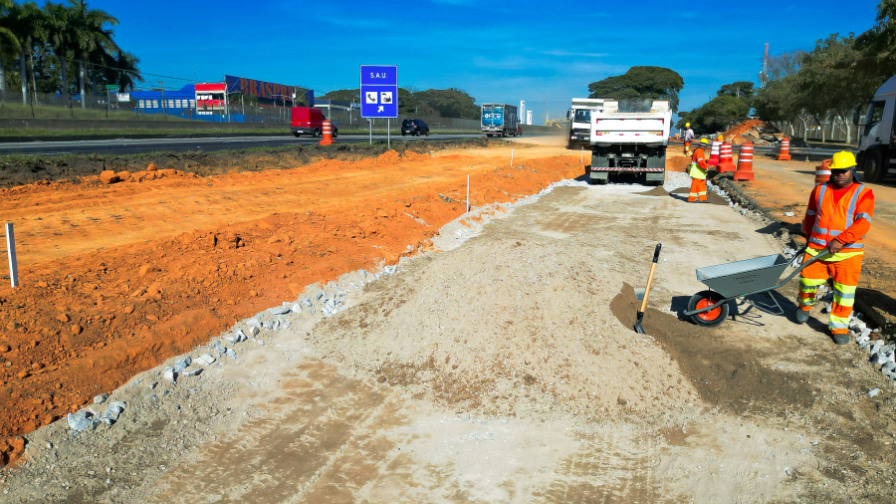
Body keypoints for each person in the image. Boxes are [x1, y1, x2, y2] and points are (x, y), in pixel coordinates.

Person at [796, 151, 875, 344]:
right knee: (807, 281)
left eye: (845, 170)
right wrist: (808, 236)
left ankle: (838, 327)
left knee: (844, 293)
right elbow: (810, 215)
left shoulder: (864, 193)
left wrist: (841, 240)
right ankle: (804, 306)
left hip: (848, 253)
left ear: (852, 170)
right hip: (817, 249)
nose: (840, 174)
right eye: (836, 170)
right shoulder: (820, 190)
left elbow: (863, 223)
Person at [687, 138, 709, 202]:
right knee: (695, 185)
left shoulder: (697, 150)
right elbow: (700, 162)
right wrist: (705, 167)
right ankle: (691, 199)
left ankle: (702, 198)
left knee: (702, 184)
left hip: (699, 173)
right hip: (697, 172)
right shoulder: (700, 151)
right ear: (705, 146)